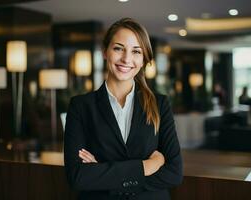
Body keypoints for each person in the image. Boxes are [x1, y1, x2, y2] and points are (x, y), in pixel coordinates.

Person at [64, 18, 183, 200]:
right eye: (118, 48)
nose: (126, 59)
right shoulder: (81, 106)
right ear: (105, 52)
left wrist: (103, 173)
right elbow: (78, 177)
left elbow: (174, 173)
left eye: (136, 51)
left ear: (143, 59)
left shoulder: (160, 104)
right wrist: (148, 166)